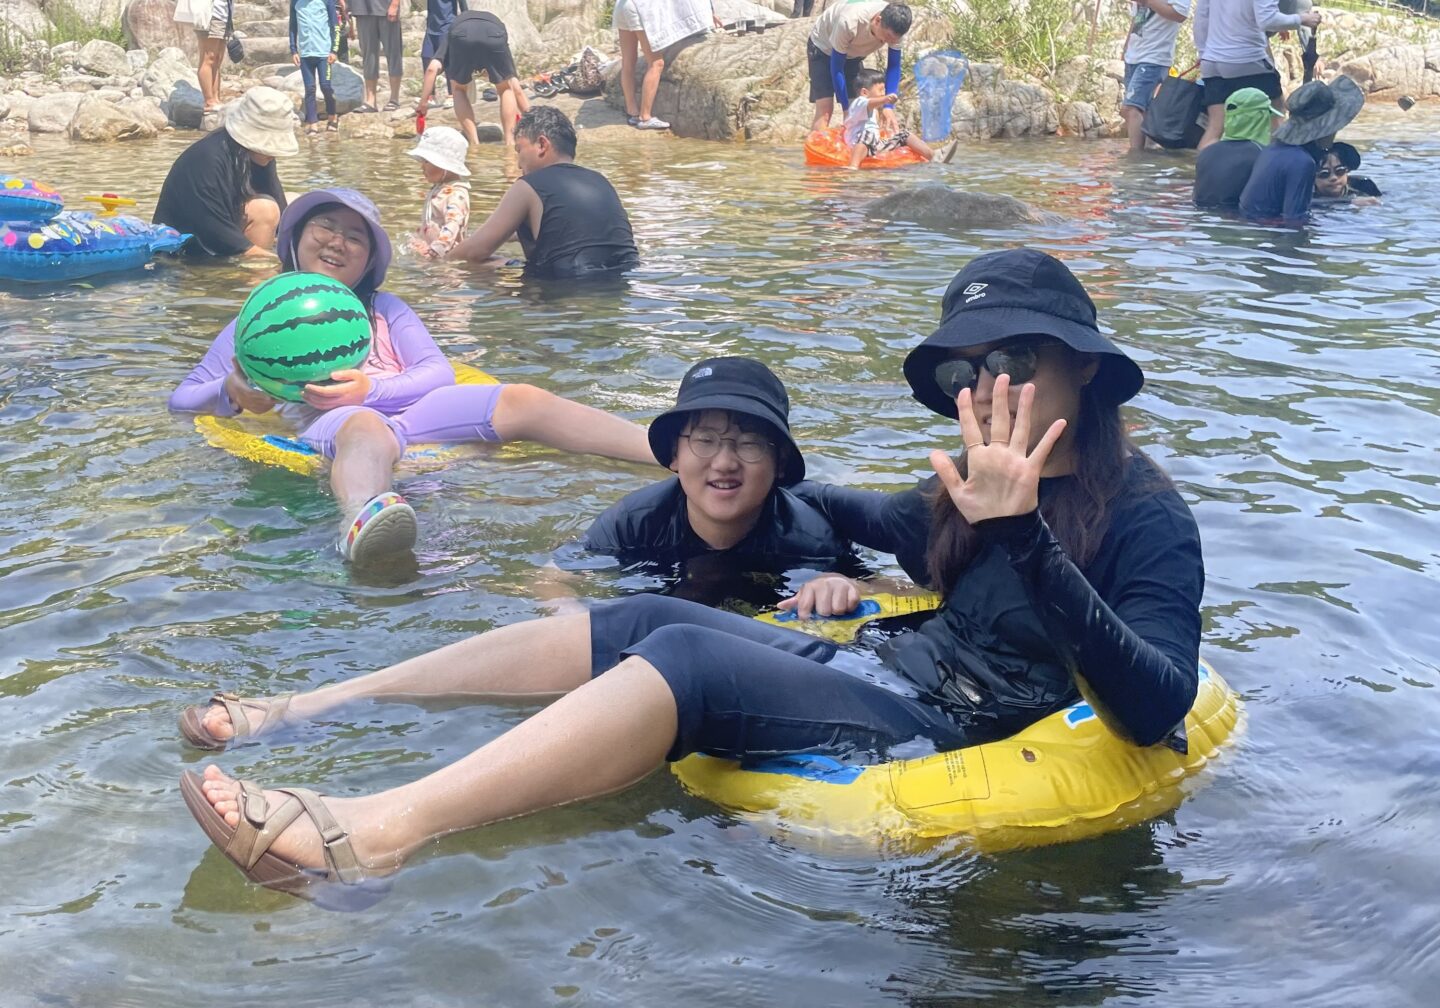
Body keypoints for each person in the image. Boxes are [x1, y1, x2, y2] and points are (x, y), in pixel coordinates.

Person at [177, 248, 1205, 903]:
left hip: (965, 727)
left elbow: (1158, 706)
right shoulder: (960, 493)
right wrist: (751, 484)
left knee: (686, 656)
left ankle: (376, 834)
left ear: (1085, 370)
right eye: (967, 370)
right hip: (891, 668)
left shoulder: (1145, 516)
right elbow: (847, 507)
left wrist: (1023, 533)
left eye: (1016, 361)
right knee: (643, 618)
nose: (989, 389)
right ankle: (304, 707)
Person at [168, 188, 654, 567]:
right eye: (326, 226)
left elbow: (437, 372)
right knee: (364, 427)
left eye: (355, 237)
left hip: (414, 409)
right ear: (294, 238)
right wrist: (232, 392)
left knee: (523, 398)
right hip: (332, 420)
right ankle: (365, 519)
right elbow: (182, 399)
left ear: (369, 261)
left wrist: (372, 388)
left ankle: (658, 447)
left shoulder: (385, 309)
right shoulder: (258, 321)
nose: (338, 241)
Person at [447, 107, 640, 278]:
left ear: (542, 144)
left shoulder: (528, 186)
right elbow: (569, 230)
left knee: (474, 264)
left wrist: (441, 260)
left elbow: (474, 252)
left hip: (563, 292)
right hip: (621, 283)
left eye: (519, 150)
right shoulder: (601, 181)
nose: (518, 164)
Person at [152, 86, 296, 258]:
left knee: (295, 202)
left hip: (223, 224)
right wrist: (274, 261)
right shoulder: (206, 159)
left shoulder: (260, 156)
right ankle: (255, 272)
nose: (273, 153)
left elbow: (280, 204)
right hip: (187, 246)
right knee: (266, 210)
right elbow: (214, 229)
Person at [1194, 0, 1322, 149]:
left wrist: (1203, 53)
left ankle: (1203, 164)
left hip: (1212, 62)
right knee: (1277, 115)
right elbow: (1267, 20)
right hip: (1247, 59)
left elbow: (1201, 19)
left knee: (1215, 128)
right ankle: (1275, 161)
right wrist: (1302, 19)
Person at [1239, 75, 1363, 224]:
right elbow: (1295, 220)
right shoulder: (1302, 162)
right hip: (1269, 230)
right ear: (1325, 130)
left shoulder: (1273, 148)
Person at [415, 10, 530, 148]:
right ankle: (510, 144)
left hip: (461, 35)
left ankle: (474, 144)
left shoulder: (451, 34)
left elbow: (431, 69)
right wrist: (534, 121)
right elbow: (516, 90)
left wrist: (423, 103)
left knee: (458, 89)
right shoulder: (498, 36)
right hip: (494, 33)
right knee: (505, 88)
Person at [612, 0, 721, 131]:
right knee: (656, 63)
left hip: (622, 6)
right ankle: (645, 117)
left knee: (628, 62)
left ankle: (632, 112)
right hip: (638, 8)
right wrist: (709, 12)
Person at [807, 2, 912, 135]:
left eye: (894, 39)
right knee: (825, 110)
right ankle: (816, 145)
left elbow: (894, 66)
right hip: (823, 48)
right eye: (887, 37)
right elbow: (837, 68)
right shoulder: (849, 21)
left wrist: (888, 107)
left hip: (853, 55)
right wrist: (846, 110)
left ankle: (856, 145)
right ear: (877, 20)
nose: (889, 42)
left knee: (859, 110)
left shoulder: (896, 30)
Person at [842, 67, 948, 168]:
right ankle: (853, 166)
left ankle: (934, 155)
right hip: (855, 143)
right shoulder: (859, 103)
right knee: (868, 134)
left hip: (874, 146)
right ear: (864, 92)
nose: (883, 93)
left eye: (884, 90)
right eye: (880, 90)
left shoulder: (873, 110)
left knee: (904, 134)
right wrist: (885, 99)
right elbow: (869, 103)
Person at [1120, 0, 1190, 153]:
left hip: (1155, 57)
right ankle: (1150, 152)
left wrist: (1148, 1)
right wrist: (1126, 47)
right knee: (1143, 110)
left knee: (1131, 108)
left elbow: (1180, 14)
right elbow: (1137, 17)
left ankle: (1135, 158)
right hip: (1134, 55)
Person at [1192, 86, 1276, 208]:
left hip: (1201, 213)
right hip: (1239, 216)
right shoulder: (1264, 155)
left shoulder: (1206, 152)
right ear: (1261, 118)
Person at [406, 126, 471, 259]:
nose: (422, 166)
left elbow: (453, 223)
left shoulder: (456, 194)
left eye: (427, 162)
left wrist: (438, 248)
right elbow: (431, 220)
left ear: (445, 165)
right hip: (431, 252)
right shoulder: (440, 188)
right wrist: (418, 239)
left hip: (447, 257)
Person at [174, 0, 235, 132]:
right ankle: (209, 101)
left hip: (224, 14)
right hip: (209, 14)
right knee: (209, 57)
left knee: (217, 59)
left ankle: (216, 99)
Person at [289, 0, 342, 135]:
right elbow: (293, 27)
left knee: (325, 86)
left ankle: (332, 116)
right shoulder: (295, 2)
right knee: (310, 89)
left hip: (324, 53)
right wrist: (294, 50)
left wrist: (334, 51)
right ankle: (313, 123)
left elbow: (335, 26)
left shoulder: (327, 2)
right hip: (305, 54)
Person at [348, 0, 404, 113]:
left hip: (386, 8)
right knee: (368, 54)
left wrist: (395, 4)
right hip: (362, 10)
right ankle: (370, 101)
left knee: (393, 52)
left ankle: (394, 99)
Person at [421, 0, 465, 109]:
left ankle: (452, 95)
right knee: (426, 57)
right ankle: (431, 96)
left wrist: (466, 23)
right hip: (431, 28)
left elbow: (463, 5)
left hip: (448, 26)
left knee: (448, 59)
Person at [1312, 141, 1382, 202]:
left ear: (1347, 170)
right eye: (1324, 174)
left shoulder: (1363, 185)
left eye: (1340, 171)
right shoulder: (1307, 195)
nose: (1333, 178)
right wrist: (1350, 202)